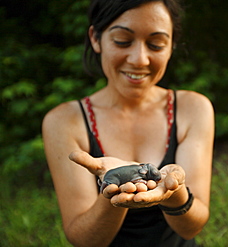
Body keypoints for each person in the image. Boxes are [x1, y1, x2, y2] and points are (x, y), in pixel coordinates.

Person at [42, 0, 214, 246]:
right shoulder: (64, 121)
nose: (139, 59)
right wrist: (116, 193)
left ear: (171, 45)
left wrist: (174, 192)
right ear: (95, 38)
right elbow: (84, 240)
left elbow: (191, 228)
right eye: (122, 41)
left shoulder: (193, 109)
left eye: (156, 44)